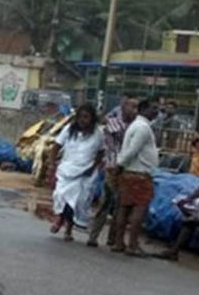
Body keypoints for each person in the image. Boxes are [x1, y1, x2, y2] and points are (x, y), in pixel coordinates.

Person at [109, 99, 161, 256]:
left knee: (124, 209)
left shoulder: (136, 125)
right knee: (139, 209)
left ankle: (120, 243)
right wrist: (118, 165)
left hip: (130, 172)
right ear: (143, 109)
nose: (156, 112)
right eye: (153, 108)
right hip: (140, 174)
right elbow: (132, 150)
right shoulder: (143, 128)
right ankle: (132, 244)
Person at [48, 104, 104, 241]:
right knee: (60, 195)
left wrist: (94, 167)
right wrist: (51, 165)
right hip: (66, 170)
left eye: (86, 117)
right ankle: (59, 218)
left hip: (85, 173)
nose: (82, 120)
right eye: (80, 117)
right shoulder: (68, 130)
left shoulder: (98, 133)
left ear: (92, 119)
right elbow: (56, 147)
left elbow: (101, 152)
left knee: (76, 202)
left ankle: (68, 229)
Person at [87, 96, 138, 247]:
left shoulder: (135, 125)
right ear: (123, 107)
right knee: (106, 202)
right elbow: (123, 136)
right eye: (132, 107)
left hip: (127, 168)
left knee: (121, 205)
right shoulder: (116, 122)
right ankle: (94, 236)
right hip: (113, 167)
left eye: (136, 108)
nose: (134, 111)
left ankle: (113, 237)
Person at [160, 155, 199, 260]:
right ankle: (190, 222)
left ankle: (175, 249)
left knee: (196, 215)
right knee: (179, 201)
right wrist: (189, 198)